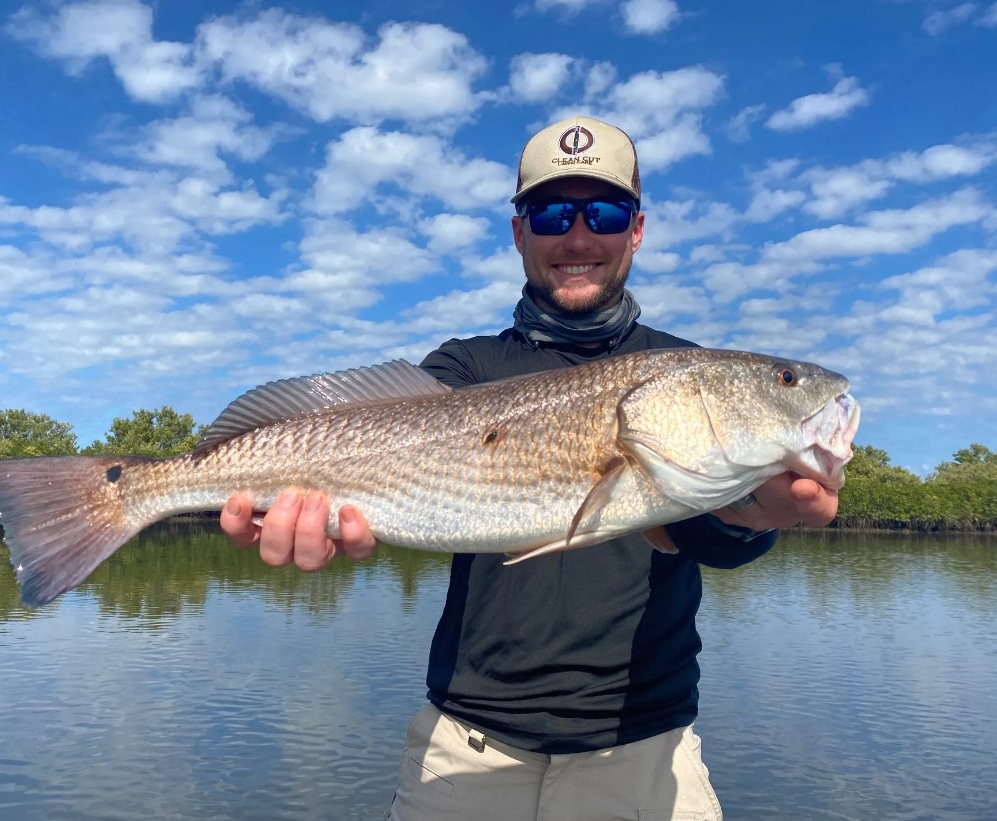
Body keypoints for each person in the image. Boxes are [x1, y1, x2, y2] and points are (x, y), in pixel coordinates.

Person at [221, 116, 839, 820]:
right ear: (519, 231)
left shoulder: (680, 368)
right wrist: (297, 506)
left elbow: (707, 532)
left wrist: (750, 514)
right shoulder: (465, 367)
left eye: (603, 211)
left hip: (641, 750)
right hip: (464, 747)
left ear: (636, 228)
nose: (577, 237)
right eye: (550, 212)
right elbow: (377, 461)